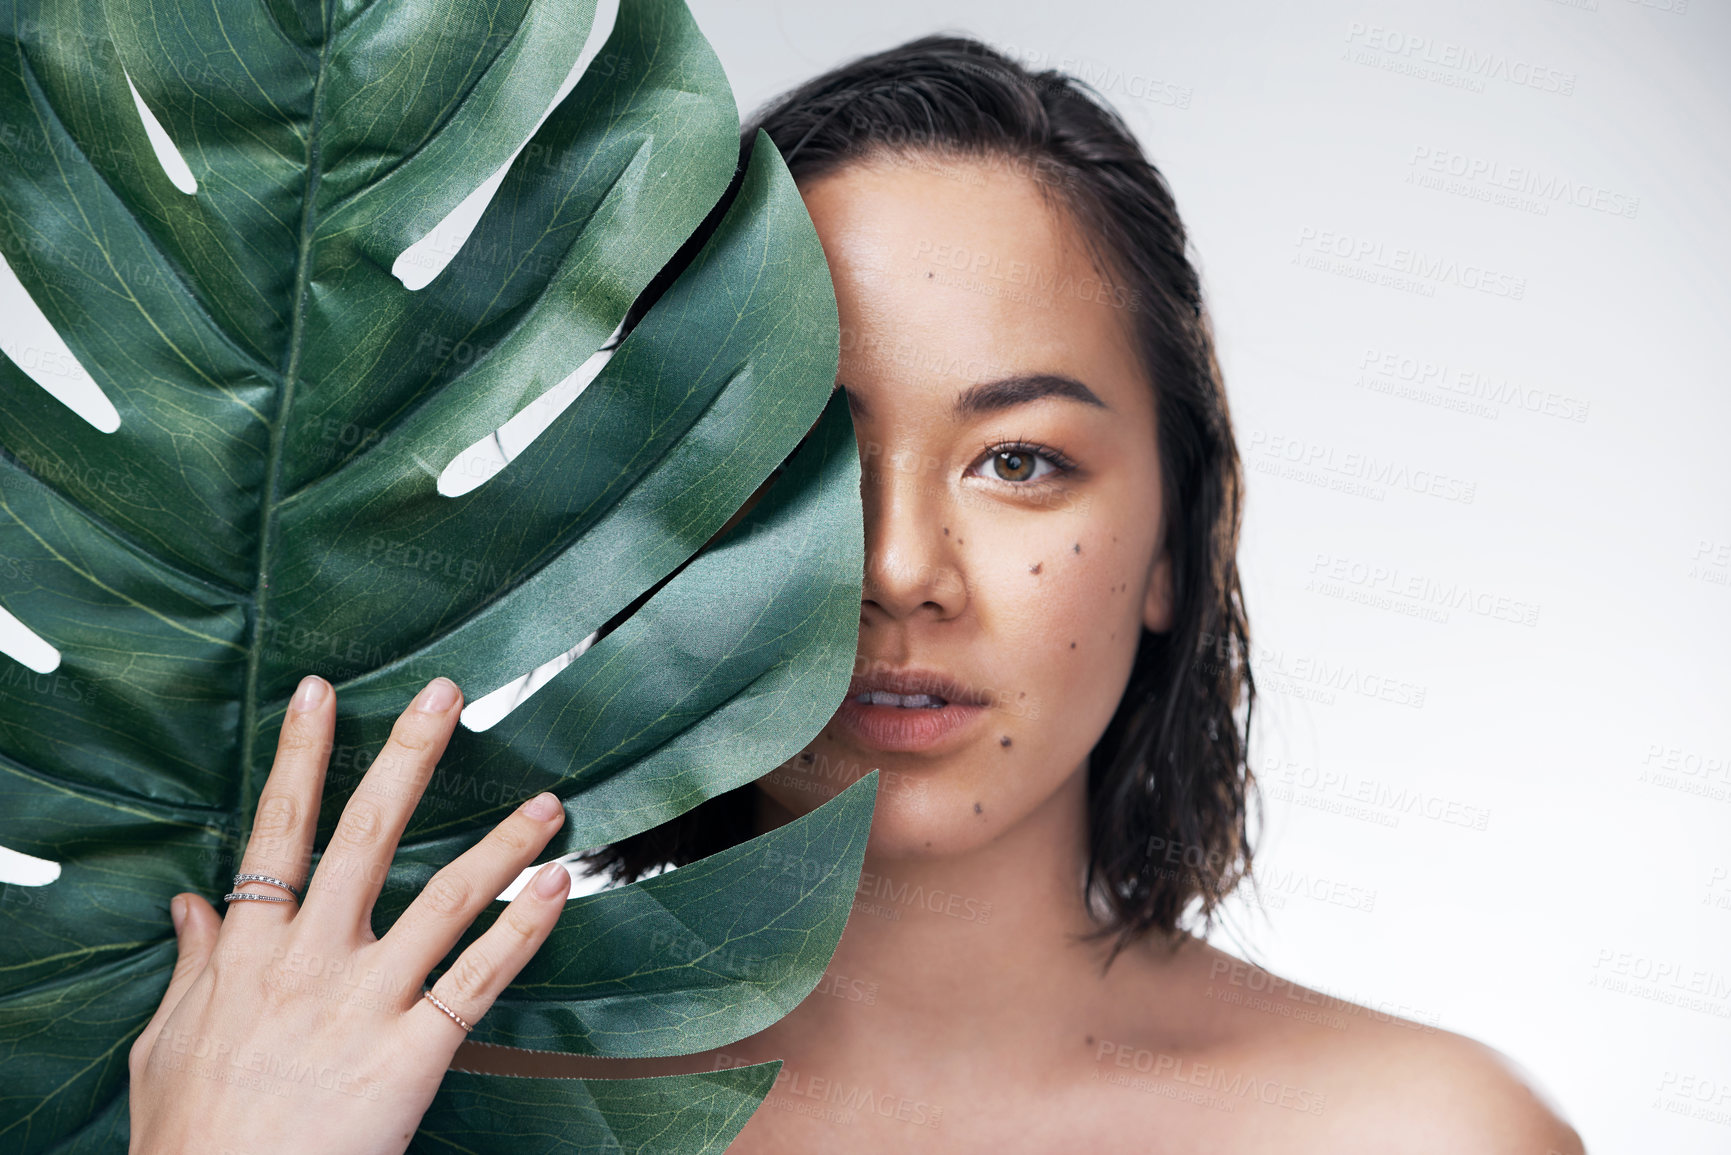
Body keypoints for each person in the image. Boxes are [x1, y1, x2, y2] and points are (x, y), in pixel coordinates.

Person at [126, 35, 1584, 1155]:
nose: (899, 568)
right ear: (661, 507)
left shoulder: (1413, 1130)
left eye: (1019, 459)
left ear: (1181, 543)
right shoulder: (396, 1105)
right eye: (802, 449)